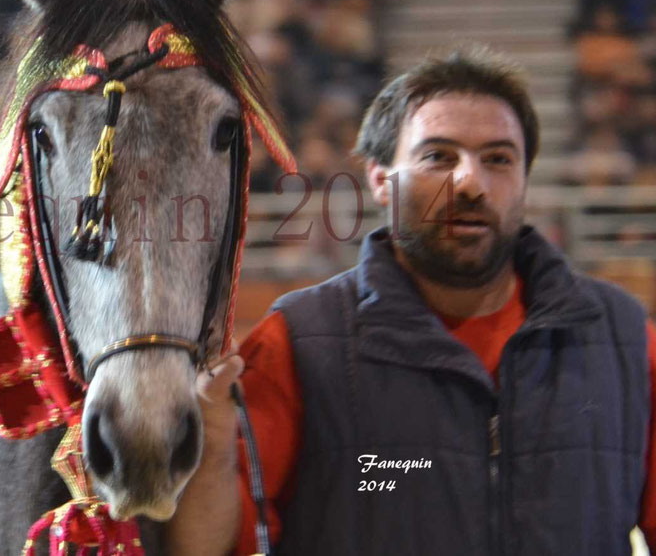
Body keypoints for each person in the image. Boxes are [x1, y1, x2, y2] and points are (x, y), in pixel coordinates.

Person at [167, 48, 656, 554]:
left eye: (498, 159)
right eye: (438, 156)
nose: (470, 182)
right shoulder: (300, 341)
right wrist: (211, 452)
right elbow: (207, 547)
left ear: (524, 181)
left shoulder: (623, 337)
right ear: (380, 179)